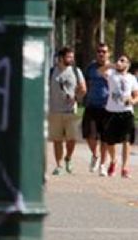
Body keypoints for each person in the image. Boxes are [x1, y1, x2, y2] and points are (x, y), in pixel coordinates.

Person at [47, 46, 86, 175]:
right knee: (57, 140)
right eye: (69, 57)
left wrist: (76, 97)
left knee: (72, 139)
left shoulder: (76, 71)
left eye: (72, 57)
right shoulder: (52, 72)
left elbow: (83, 89)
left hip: (71, 111)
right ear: (61, 58)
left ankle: (68, 158)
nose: (71, 59)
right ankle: (59, 166)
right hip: (55, 110)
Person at [101, 54, 138, 178]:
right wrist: (112, 64)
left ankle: (125, 167)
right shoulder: (111, 74)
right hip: (111, 112)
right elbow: (100, 70)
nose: (119, 62)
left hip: (126, 112)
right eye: (118, 60)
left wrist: (132, 101)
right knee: (110, 142)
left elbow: (136, 95)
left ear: (128, 64)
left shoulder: (132, 78)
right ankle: (113, 161)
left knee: (126, 141)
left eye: (123, 61)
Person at [82, 42, 111, 173]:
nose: (101, 54)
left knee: (105, 138)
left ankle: (103, 165)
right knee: (89, 135)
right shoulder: (91, 68)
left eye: (104, 51)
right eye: (99, 51)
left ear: (108, 53)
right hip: (91, 105)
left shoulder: (113, 69)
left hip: (107, 107)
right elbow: (86, 83)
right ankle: (95, 155)